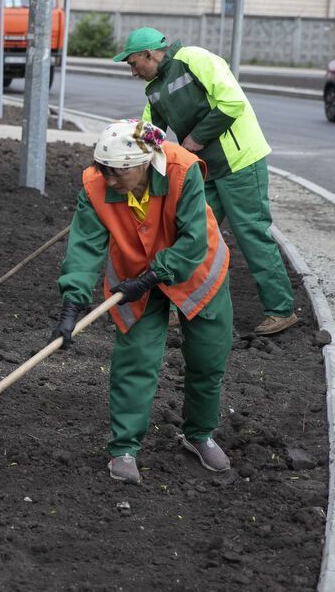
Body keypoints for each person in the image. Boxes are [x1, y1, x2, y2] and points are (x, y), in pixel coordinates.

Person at [52, 119, 234, 484]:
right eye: (104, 170)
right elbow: (86, 245)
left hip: (196, 271)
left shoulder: (183, 171)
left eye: (118, 172)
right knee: (134, 360)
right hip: (134, 273)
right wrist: (73, 303)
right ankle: (123, 448)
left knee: (206, 358)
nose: (109, 180)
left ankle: (199, 434)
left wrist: (155, 275)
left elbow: (194, 239)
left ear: (145, 163)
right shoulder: (96, 184)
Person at [113, 27, 297, 336]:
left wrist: (196, 138)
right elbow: (149, 134)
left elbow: (232, 102)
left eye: (134, 64)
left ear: (149, 54)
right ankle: (179, 306)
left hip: (240, 163)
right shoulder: (154, 90)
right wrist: (122, 158)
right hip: (206, 171)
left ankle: (281, 310)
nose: (133, 72)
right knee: (190, 235)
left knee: (251, 234)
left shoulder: (194, 59)